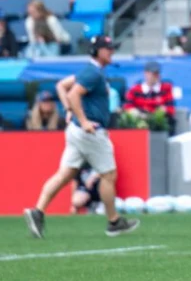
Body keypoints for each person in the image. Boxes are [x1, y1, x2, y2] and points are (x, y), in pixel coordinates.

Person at [25, 35, 141, 239]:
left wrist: (71, 111)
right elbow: (73, 93)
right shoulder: (93, 73)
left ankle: (38, 211)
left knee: (65, 174)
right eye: (108, 48)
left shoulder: (91, 72)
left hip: (76, 131)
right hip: (90, 132)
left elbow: (63, 86)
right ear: (98, 51)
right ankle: (114, 222)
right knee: (108, 175)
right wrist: (83, 119)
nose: (112, 51)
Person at [123, 61, 176, 131]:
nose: (156, 76)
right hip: (138, 126)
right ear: (146, 73)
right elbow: (127, 108)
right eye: (153, 73)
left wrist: (159, 113)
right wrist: (139, 114)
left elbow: (171, 110)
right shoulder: (134, 90)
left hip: (160, 127)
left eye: (157, 73)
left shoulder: (166, 89)